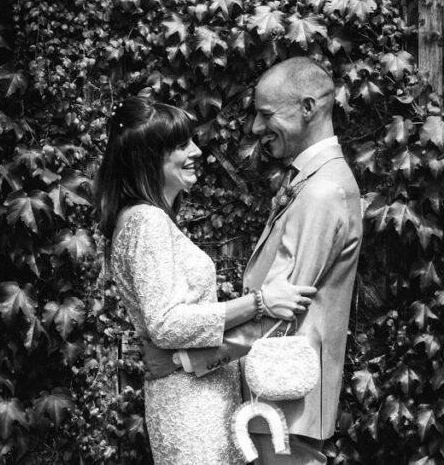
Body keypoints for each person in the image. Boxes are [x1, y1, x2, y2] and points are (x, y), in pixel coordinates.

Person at [141, 58, 364, 465]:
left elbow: (279, 311)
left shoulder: (322, 191)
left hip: (287, 401)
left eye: (266, 114)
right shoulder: (314, 181)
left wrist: (182, 360)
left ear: (308, 107)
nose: (257, 127)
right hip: (277, 402)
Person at [98, 95, 317, 465]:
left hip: (195, 396)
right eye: (181, 145)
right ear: (147, 157)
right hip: (191, 407)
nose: (196, 151)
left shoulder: (141, 219)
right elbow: (166, 323)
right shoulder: (147, 221)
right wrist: (259, 302)